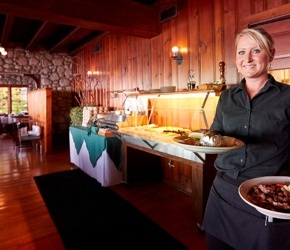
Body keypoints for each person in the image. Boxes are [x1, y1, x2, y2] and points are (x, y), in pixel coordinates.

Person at [202, 28, 290, 250]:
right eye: (241, 52)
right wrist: (204, 138)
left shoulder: (287, 97)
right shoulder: (226, 97)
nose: (247, 59)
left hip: (267, 197)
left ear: (271, 54)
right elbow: (217, 133)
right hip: (223, 191)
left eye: (256, 50)